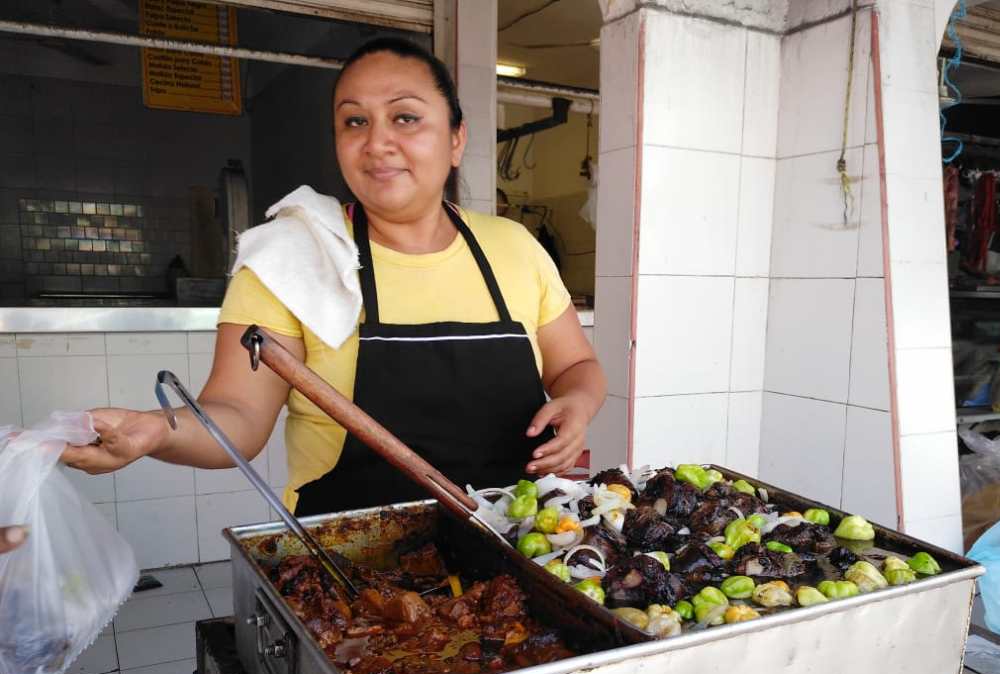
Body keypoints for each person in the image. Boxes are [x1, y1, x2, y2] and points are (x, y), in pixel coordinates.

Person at [62, 37, 605, 515]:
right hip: (355, 569)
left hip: (514, 546)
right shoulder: (291, 260)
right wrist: (155, 430)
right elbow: (239, 417)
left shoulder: (514, 248)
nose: (377, 142)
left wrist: (577, 404)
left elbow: (576, 365)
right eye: (355, 121)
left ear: (456, 137)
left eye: (406, 117)